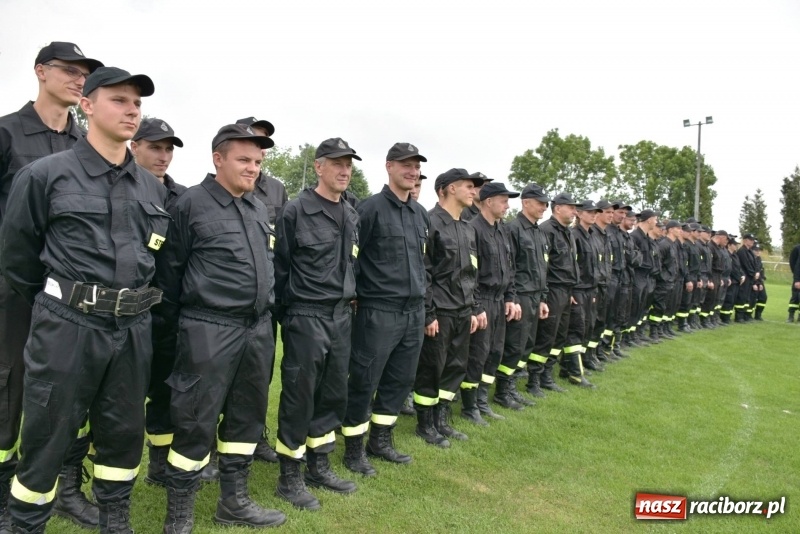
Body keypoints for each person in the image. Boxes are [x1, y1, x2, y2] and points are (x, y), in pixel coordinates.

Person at [0, 66, 166, 533]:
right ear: (87, 105)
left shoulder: (152, 189)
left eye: (137, 103)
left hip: (132, 331)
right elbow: (18, 260)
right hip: (67, 325)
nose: (132, 110)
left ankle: (116, 521)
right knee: (46, 438)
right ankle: (26, 524)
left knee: (122, 437)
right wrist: (65, 302)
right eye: (119, 100)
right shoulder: (44, 175)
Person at [153, 124, 286, 532]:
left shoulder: (257, 209)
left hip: (257, 330)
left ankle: (234, 501)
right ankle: (179, 515)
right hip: (207, 329)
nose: (253, 169)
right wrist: (179, 333)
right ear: (218, 159)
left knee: (246, 419)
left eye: (259, 162)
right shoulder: (190, 204)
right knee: (195, 421)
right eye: (244, 160)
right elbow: (168, 275)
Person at [0, 41, 103, 530]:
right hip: (17, 292)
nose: (79, 78)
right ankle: (4, 497)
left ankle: (66, 487)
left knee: (73, 391)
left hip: (73, 299)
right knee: (10, 391)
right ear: (41, 72)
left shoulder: (85, 143)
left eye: (85, 73)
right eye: (69, 70)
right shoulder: (6, 134)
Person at [273, 137, 361, 510]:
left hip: (341, 316)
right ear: (319, 167)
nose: (344, 171)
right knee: (298, 394)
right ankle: (289, 475)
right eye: (337, 164)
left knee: (332, 394)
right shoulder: (295, 210)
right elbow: (280, 268)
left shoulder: (351, 214)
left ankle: (318, 464)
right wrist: (288, 316)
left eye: (349, 166)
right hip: (306, 315)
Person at [131, 118, 220, 489]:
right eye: (155, 147)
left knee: (169, 389)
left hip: (172, 310)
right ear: (134, 146)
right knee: (127, 392)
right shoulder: (124, 190)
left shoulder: (182, 197)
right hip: (129, 308)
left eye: (169, 149)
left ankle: (160, 463)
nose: (163, 156)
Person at [340, 142, 428, 477]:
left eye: (416, 166)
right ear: (389, 166)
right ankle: (353, 449)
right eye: (405, 165)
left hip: (412, 311)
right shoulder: (371, 208)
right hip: (378, 310)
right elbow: (352, 257)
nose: (412, 171)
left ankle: (381, 441)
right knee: (364, 380)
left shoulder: (419, 214)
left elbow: (424, 263)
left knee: (399, 380)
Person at [414, 169, 484, 447]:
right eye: (468, 186)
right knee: (432, 367)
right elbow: (425, 272)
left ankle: (441, 419)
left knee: (455, 366)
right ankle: (425, 423)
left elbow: (472, 271)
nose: (473, 191)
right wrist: (429, 313)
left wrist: (475, 307)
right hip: (440, 311)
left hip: (463, 310)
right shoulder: (430, 223)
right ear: (450, 188)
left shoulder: (468, 227)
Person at [235, 116, 288, 464]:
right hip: (227, 298)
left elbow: (281, 244)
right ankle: (209, 440)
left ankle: (254, 437)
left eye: (264, 141)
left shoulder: (277, 190)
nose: (259, 145)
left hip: (265, 299)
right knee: (218, 379)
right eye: (253, 137)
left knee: (259, 375)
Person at [461, 182, 521, 420]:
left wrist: (511, 297)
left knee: (494, 352)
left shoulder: (502, 230)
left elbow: (510, 268)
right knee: (477, 354)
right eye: (504, 200)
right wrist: (476, 306)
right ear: (488, 201)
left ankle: (482, 400)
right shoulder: (472, 229)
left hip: (499, 300)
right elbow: (469, 273)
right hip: (482, 299)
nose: (507, 206)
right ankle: (469, 407)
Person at [500, 184, 551, 398]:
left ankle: (511, 385)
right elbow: (509, 268)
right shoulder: (513, 229)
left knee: (527, 345)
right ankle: (503, 390)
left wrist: (543, 298)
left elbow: (542, 267)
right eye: (540, 203)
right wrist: (512, 298)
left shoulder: (539, 233)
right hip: (520, 297)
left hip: (535, 296)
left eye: (546, 203)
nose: (544, 207)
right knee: (514, 345)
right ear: (526, 202)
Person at [528, 193, 581, 393]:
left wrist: (572, 290)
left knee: (559, 336)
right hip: (552, 290)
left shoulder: (567, 232)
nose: (575, 212)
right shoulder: (546, 230)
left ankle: (547, 376)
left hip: (566, 290)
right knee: (546, 336)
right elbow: (544, 266)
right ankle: (534, 380)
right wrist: (546, 294)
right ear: (558, 208)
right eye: (571, 207)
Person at [562, 200, 601, 388]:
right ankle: (575, 374)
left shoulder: (592, 235)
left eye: (595, 212)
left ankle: (567, 366)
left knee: (587, 327)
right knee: (576, 330)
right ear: (579, 214)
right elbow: (571, 265)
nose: (593, 215)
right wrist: (572, 290)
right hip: (577, 289)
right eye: (589, 212)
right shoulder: (574, 235)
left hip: (590, 290)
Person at [735, 234, 758, 322]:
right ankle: (739, 316)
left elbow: (754, 264)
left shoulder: (750, 251)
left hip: (750, 277)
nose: (752, 241)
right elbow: (745, 265)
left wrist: (756, 272)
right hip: (745, 276)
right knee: (742, 296)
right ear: (745, 240)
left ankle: (745, 315)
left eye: (753, 240)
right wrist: (753, 273)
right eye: (750, 240)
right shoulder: (742, 251)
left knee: (747, 297)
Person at [751, 244, 767, 320]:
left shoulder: (759, 259)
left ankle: (758, 315)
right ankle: (748, 315)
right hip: (752, 282)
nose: (758, 252)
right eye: (756, 250)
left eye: (759, 250)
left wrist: (761, 282)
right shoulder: (751, 259)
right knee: (752, 299)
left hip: (759, 282)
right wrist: (754, 283)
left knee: (763, 297)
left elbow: (760, 271)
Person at [788, 243, 800, 323]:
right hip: (798, 278)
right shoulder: (797, 248)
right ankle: (791, 316)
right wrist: (797, 280)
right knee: (795, 297)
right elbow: (795, 265)